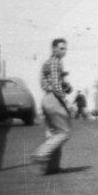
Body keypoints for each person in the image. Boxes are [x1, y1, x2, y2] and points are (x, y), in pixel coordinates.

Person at [30, 38, 73, 174]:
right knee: (64, 132)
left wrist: (65, 85)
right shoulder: (55, 62)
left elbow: (52, 82)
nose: (64, 51)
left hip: (47, 99)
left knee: (54, 133)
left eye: (65, 48)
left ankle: (52, 167)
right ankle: (41, 154)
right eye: (61, 48)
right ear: (54, 49)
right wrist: (65, 100)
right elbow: (55, 84)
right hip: (53, 99)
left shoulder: (51, 62)